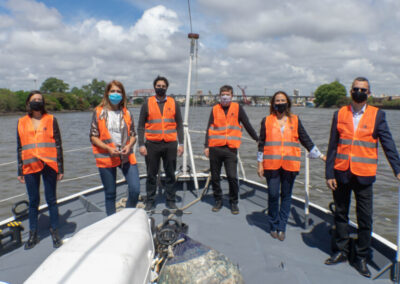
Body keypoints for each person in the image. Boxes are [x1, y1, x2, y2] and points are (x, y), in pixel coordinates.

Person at [324, 77, 400, 278]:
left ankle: (361, 257)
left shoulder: (378, 115)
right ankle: (341, 250)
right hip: (341, 173)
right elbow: (332, 146)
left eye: (363, 90)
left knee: (365, 218)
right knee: (340, 214)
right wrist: (329, 172)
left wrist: (397, 169)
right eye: (356, 89)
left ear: (369, 93)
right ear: (351, 91)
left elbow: (388, 144)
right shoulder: (339, 113)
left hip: (364, 176)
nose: (359, 92)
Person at [257, 91, 325, 241]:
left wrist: (320, 155)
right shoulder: (266, 121)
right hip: (272, 164)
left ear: (287, 103)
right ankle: (273, 224)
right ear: (273, 104)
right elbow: (261, 143)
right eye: (277, 100)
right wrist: (259, 163)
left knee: (286, 196)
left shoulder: (295, 120)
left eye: (282, 100)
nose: (280, 103)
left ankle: (281, 227)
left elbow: (305, 139)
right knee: (273, 194)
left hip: (290, 164)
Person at [17, 91, 63, 249]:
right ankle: (33, 234)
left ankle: (55, 231)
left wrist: (60, 167)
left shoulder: (51, 120)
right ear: (28, 103)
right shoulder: (21, 122)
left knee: (51, 200)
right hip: (30, 165)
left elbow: (58, 144)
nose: (37, 102)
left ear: (43, 103)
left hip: (49, 164)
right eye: (34, 100)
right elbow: (20, 147)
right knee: (33, 201)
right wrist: (20, 170)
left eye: (39, 100)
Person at [204, 85, 258, 215]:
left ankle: (233, 202)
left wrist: (257, 138)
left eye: (227, 94)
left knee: (232, 177)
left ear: (232, 96)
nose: (225, 96)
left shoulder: (238, 108)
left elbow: (247, 124)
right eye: (223, 94)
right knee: (215, 177)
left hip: (230, 149)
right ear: (219, 96)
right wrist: (206, 146)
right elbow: (209, 128)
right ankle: (218, 200)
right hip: (215, 148)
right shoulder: (215, 109)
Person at [90, 80, 140, 216]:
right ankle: (112, 222)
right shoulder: (99, 112)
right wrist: (108, 148)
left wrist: (129, 146)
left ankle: (126, 216)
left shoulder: (127, 113)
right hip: (106, 157)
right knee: (110, 193)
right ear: (107, 93)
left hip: (126, 156)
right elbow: (93, 136)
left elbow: (133, 135)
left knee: (135, 189)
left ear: (123, 95)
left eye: (119, 91)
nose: (115, 94)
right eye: (113, 91)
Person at [137, 76, 184, 211]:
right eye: (158, 85)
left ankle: (170, 200)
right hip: (152, 144)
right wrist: (141, 144)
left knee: (170, 173)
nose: (161, 88)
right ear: (154, 87)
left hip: (170, 144)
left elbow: (179, 125)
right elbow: (141, 126)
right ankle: (150, 200)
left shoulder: (174, 103)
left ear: (167, 88)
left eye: (163, 86)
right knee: (151, 174)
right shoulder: (147, 103)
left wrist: (181, 143)